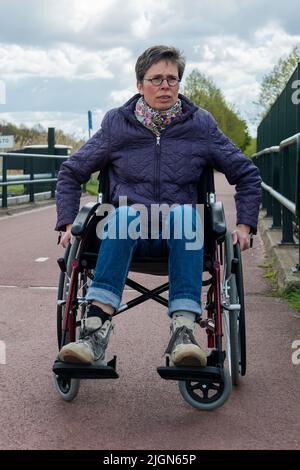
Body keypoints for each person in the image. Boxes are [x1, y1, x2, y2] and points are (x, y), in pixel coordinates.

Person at [55, 45, 261, 367]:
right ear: (139, 85)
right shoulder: (116, 125)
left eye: (172, 79)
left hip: (182, 234)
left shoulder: (201, 125)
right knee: (124, 214)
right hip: (125, 231)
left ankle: (183, 333)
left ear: (179, 83)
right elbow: (71, 172)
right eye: (156, 79)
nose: (165, 86)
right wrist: (68, 223)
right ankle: (95, 331)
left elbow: (247, 173)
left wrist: (245, 225)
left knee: (184, 215)